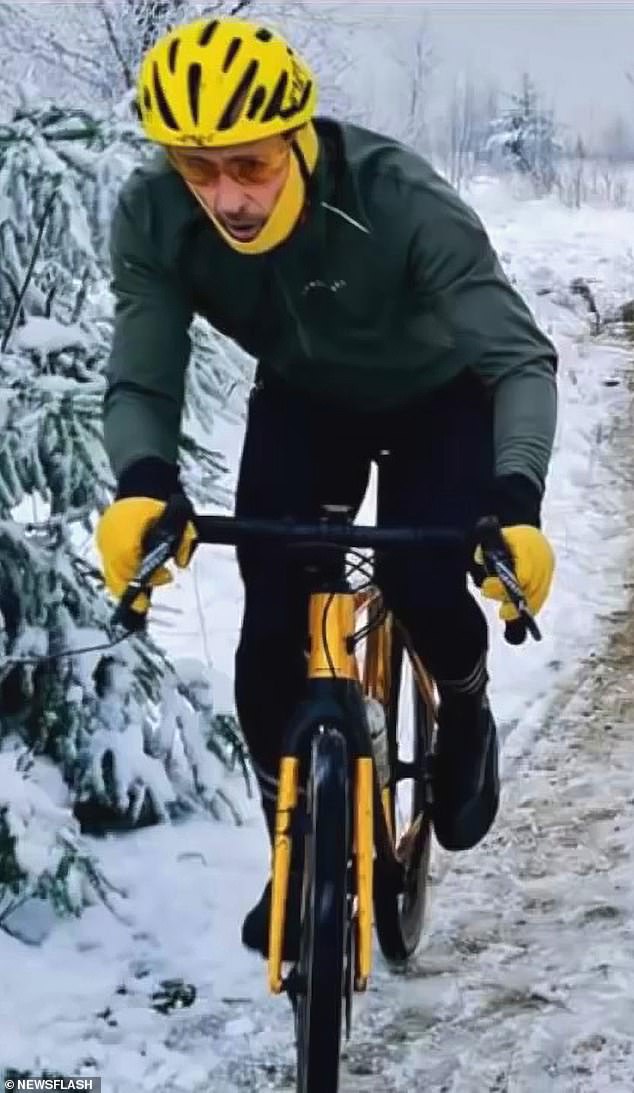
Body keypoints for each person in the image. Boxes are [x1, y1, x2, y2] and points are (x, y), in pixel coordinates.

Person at [96, 16, 557, 962]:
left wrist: (516, 507)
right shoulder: (155, 213)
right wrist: (144, 486)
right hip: (307, 398)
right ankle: (296, 846)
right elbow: (143, 373)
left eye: (251, 165)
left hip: (442, 396)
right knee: (271, 620)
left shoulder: (400, 202)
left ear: (299, 136)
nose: (226, 196)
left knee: (428, 584)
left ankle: (465, 704)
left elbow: (519, 360)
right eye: (198, 168)